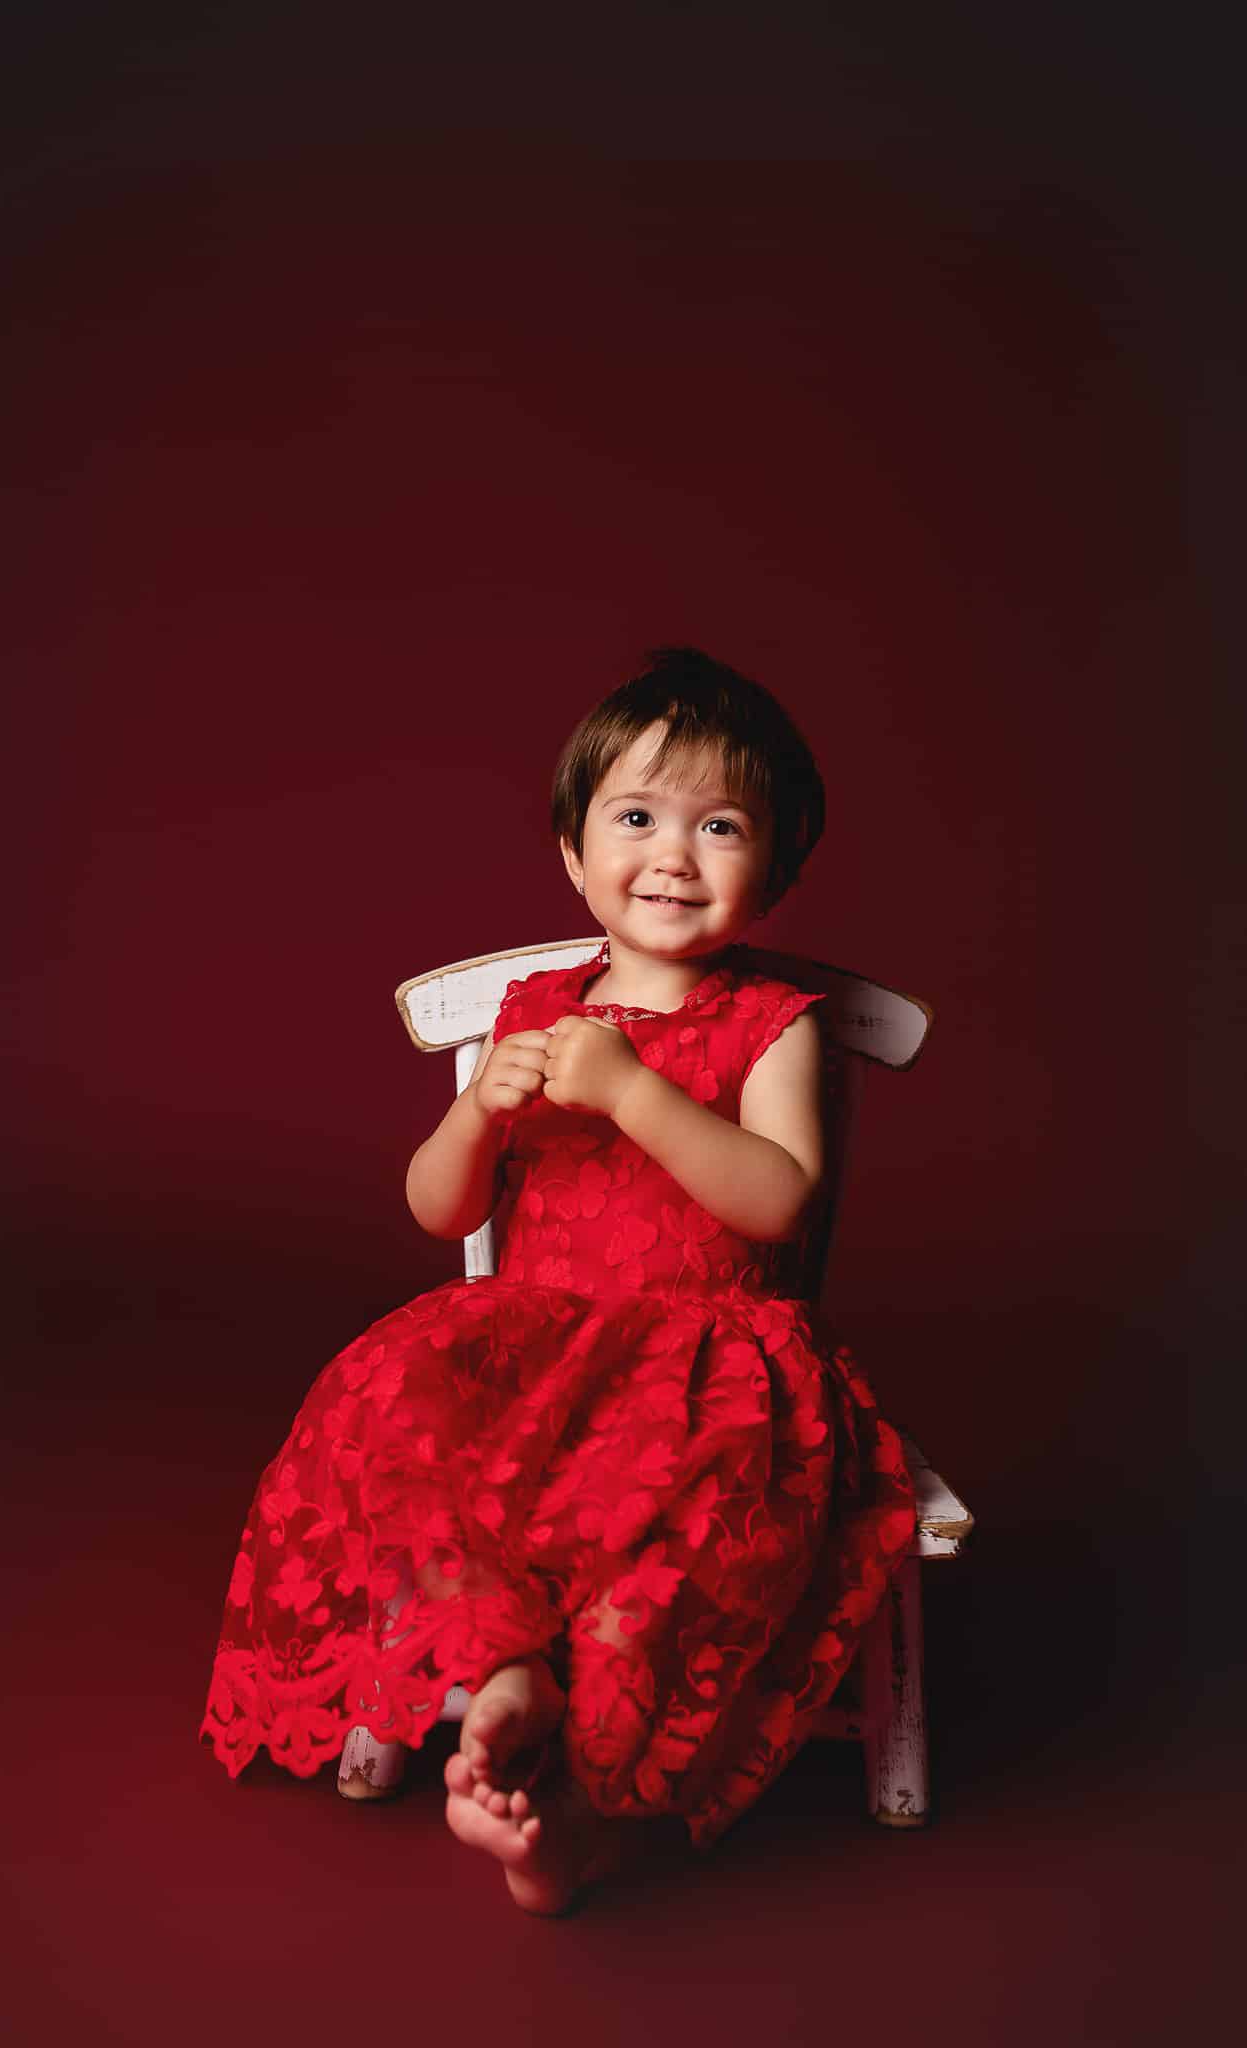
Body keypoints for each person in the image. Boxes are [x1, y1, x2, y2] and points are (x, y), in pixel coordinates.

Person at [200, 646, 918, 1915]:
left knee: (677, 1524)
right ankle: (503, 1661)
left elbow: (778, 1199)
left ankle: (577, 1809)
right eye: (636, 817)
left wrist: (631, 1091)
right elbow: (441, 1209)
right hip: (536, 1351)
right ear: (574, 855)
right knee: (387, 1403)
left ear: (778, 868)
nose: (674, 853)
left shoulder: (774, 1022)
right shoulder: (534, 1006)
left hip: (708, 1364)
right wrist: (478, 1109)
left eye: (720, 825)